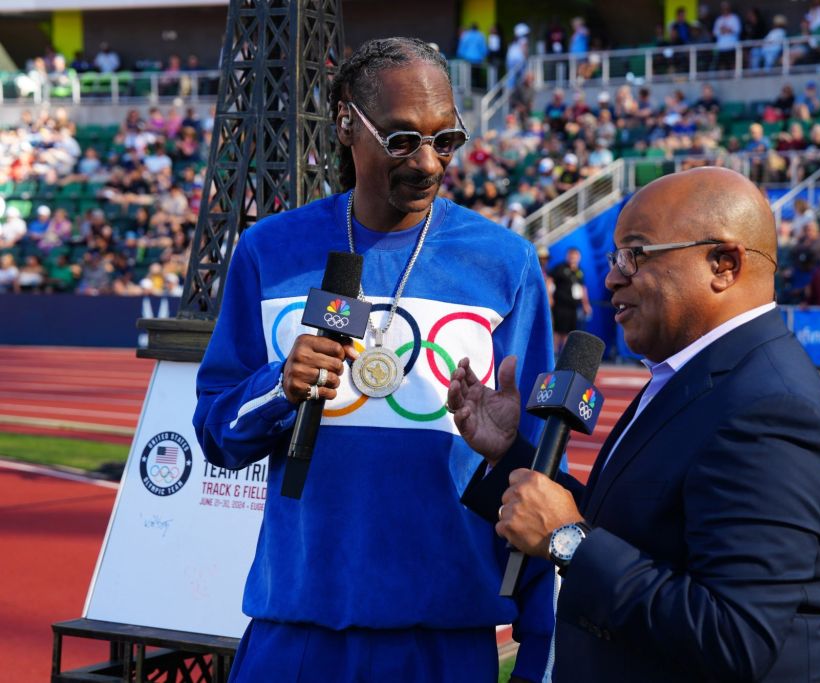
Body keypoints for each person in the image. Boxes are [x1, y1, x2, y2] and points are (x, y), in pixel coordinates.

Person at [193, 37, 555, 683]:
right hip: (298, 626)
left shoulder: (506, 263)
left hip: (445, 635)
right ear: (345, 124)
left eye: (446, 139)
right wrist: (280, 387)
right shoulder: (268, 250)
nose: (428, 162)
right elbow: (217, 432)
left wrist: (541, 649)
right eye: (402, 139)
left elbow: (537, 472)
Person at [449, 167, 820, 682]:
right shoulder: (698, 374)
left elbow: (733, 636)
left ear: (723, 264)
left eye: (635, 254)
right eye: (614, 257)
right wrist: (508, 455)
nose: (612, 278)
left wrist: (566, 540)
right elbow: (638, 527)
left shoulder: (772, 408)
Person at [549, 246, 592, 352]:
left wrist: (586, 304)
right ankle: (553, 355)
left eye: (575, 256)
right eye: (571, 256)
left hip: (573, 307)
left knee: (569, 332)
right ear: (567, 256)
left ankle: (564, 356)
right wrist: (549, 297)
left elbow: (582, 288)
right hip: (560, 305)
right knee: (558, 330)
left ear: (579, 258)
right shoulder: (560, 268)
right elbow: (549, 281)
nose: (573, 258)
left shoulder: (579, 271)